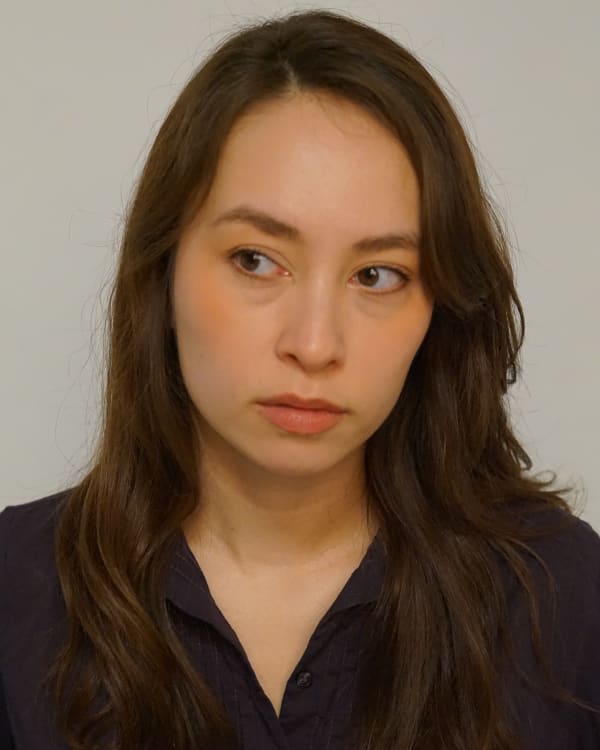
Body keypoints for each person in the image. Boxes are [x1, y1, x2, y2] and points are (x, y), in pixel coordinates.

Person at [1, 8, 599, 750]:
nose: (314, 345)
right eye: (256, 261)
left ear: (439, 309)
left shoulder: (561, 592)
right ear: (163, 273)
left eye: (377, 275)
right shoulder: (15, 587)